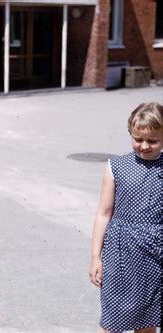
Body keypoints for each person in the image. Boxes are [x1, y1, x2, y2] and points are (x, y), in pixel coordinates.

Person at [89, 102, 162, 333]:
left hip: (155, 255)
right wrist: (95, 256)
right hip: (120, 253)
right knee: (112, 321)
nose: (144, 146)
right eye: (138, 139)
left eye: (152, 141)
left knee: (148, 322)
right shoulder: (116, 166)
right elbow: (104, 213)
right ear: (130, 133)